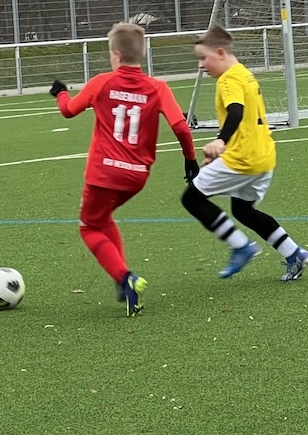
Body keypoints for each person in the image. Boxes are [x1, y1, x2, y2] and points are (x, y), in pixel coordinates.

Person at [51, 22, 200, 316]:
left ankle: (125, 278)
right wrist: (190, 159)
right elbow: (182, 127)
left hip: (103, 172)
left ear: (116, 55)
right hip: (136, 176)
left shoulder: (102, 82)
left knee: (89, 227)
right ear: (141, 55)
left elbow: (68, 111)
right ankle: (121, 281)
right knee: (104, 217)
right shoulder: (158, 87)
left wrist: (61, 93)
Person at [183, 25, 308, 281]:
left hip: (243, 160)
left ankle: (241, 247)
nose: (201, 65)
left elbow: (236, 112)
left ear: (221, 52)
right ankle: (293, 253)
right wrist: (222, 149)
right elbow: (246, 123)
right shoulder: (245, 74)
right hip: (263, 156)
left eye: (203, 57)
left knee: (192, 199)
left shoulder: (228, 79)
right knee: (243, 210)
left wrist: (220, 141)